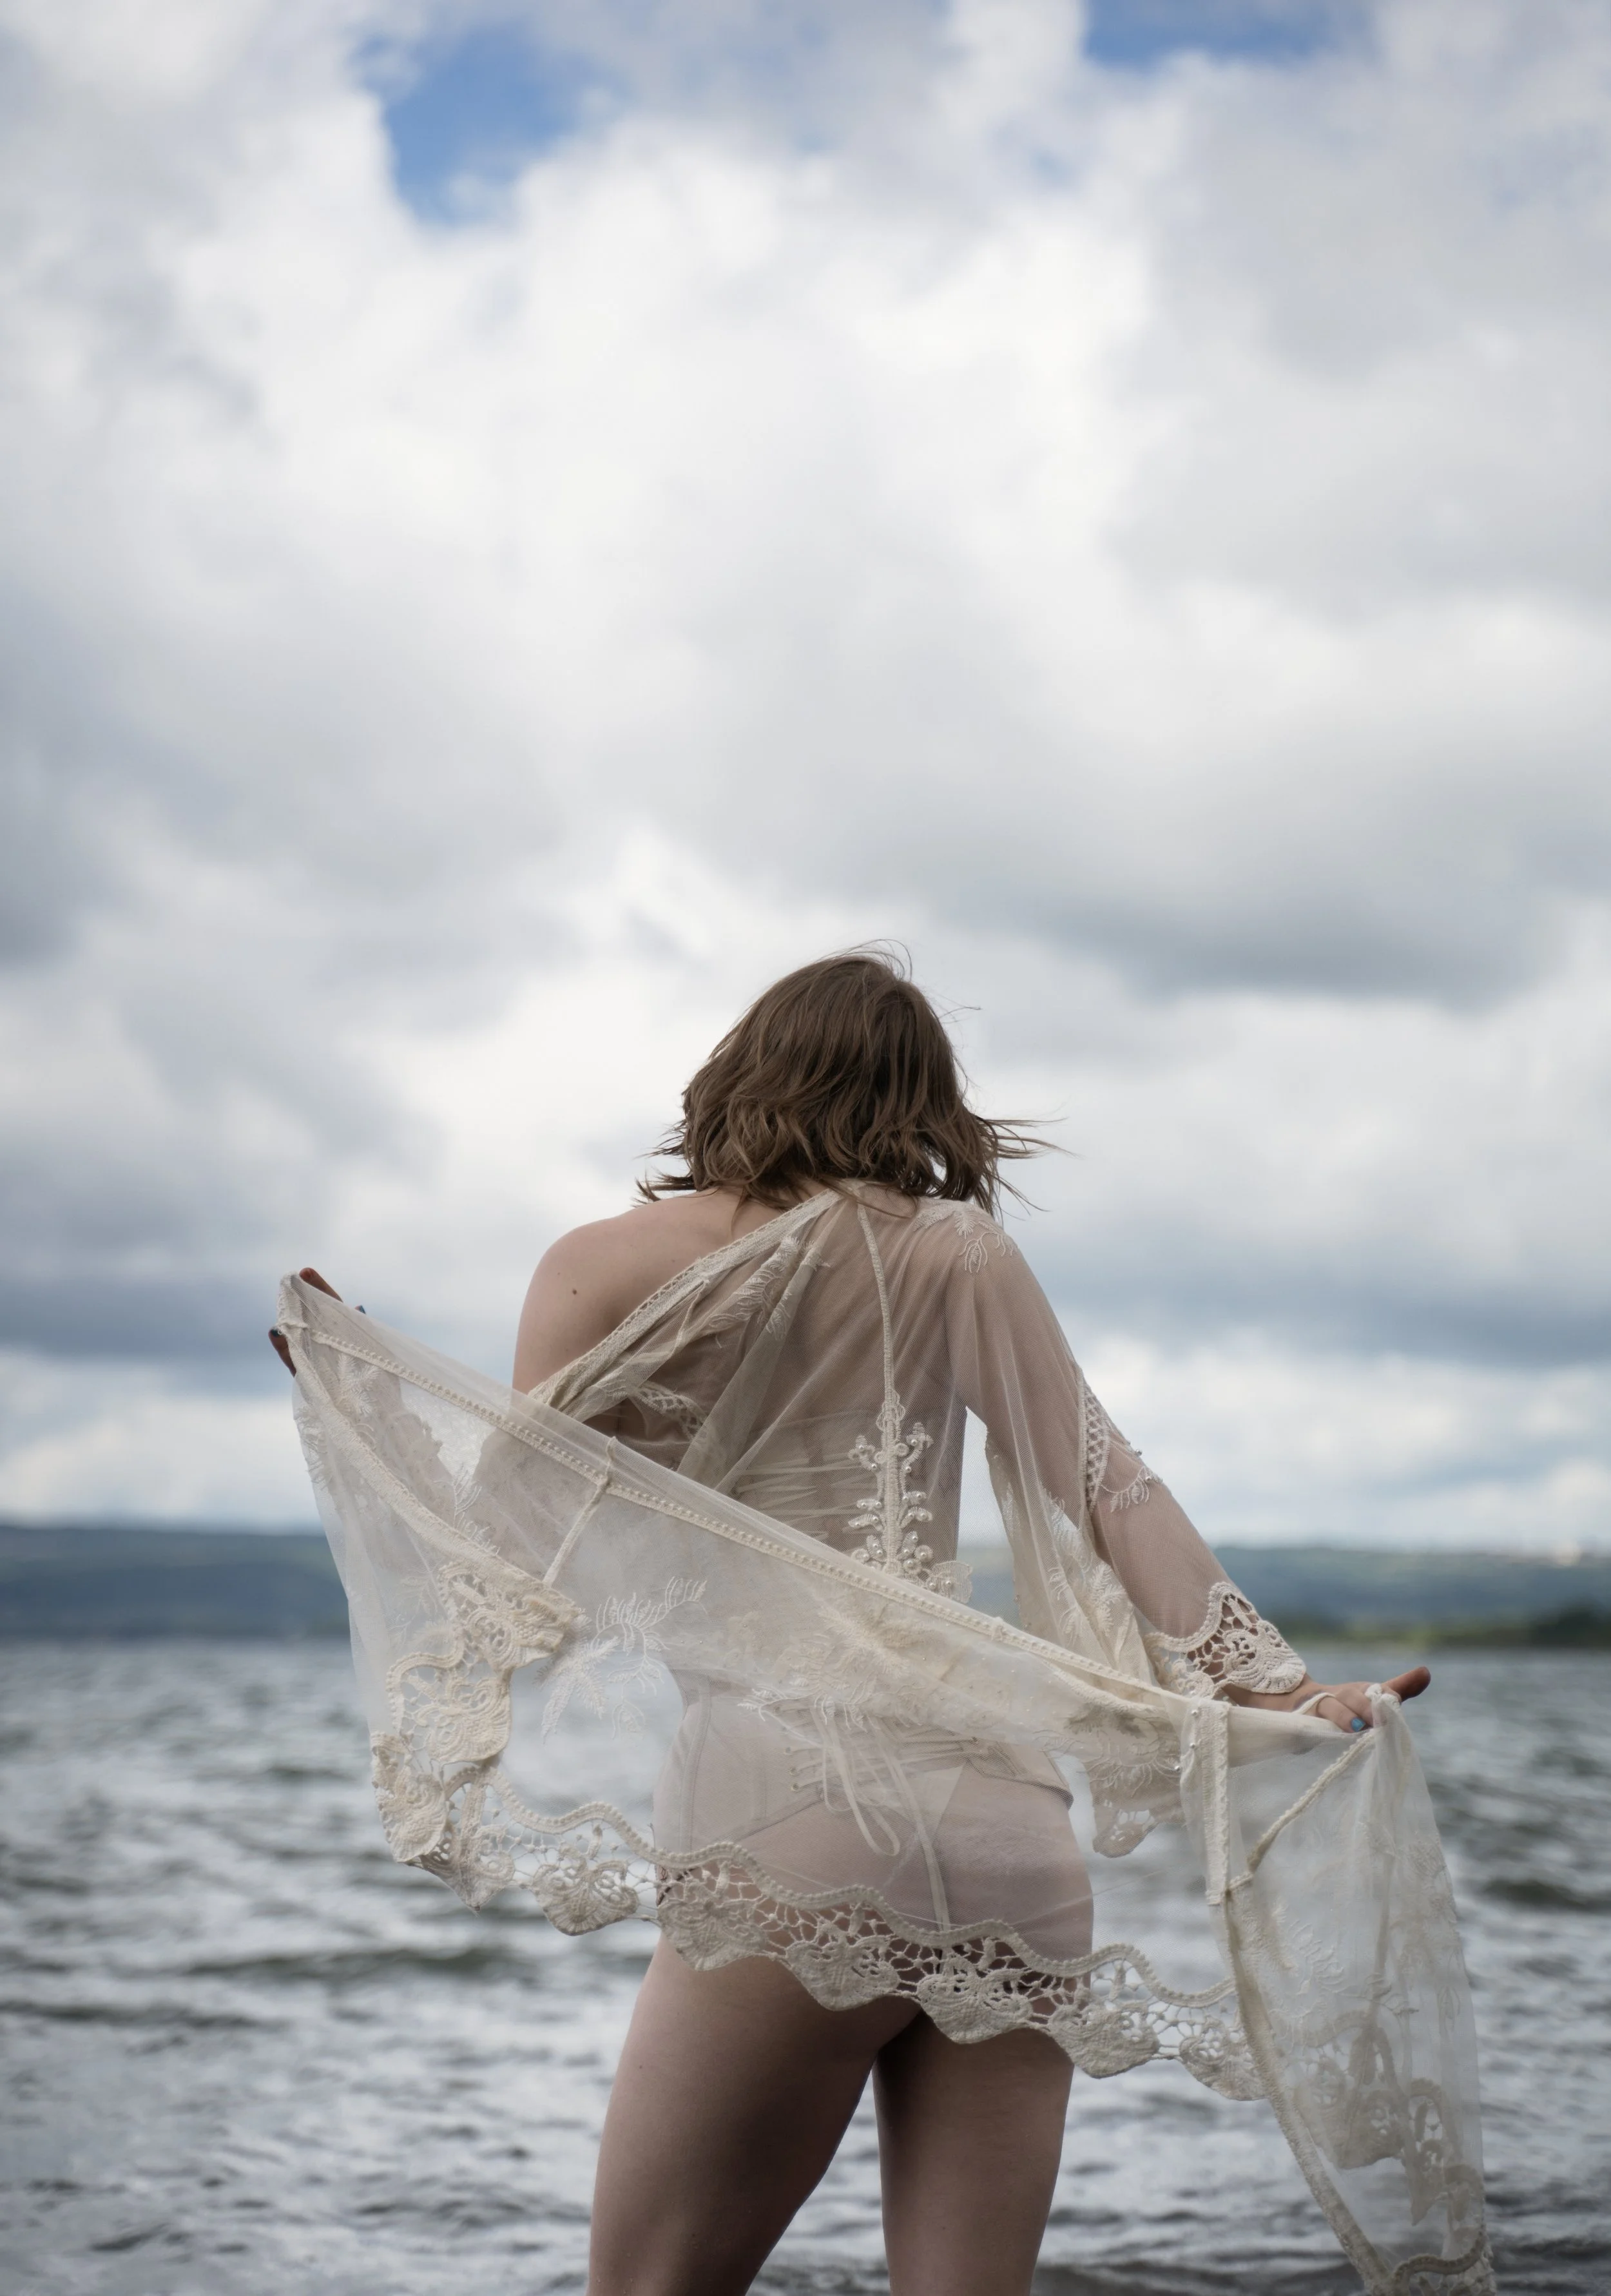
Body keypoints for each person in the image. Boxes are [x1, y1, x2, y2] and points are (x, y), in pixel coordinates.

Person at [273, 950, 1468, 2296]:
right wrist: (1272, 1688)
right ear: (922, 1103)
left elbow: (511, 1562)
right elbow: (1106, 1481)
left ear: (737, 1075)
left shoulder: (598, 1264)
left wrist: (363, 1402)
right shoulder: (959, 1253)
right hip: (1008, 1829)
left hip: (789, 1814)